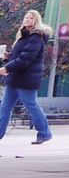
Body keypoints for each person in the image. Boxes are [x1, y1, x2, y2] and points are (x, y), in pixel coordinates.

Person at [0, 10, 53, 145]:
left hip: (27, 79)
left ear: (36, 21)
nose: (28, 20)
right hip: (15, 78)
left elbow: (25, 59)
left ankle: (44, 133)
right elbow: (19, 56)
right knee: (4, 108)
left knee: (31, 105)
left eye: (31, 18)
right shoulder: (23, 36)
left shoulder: (36, 37)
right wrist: (8, 56)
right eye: (26, 17)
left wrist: (6, 68)